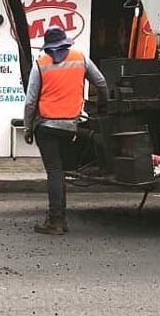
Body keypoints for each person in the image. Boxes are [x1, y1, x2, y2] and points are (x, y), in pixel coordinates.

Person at [23, 28, 108, 235]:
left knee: (54, 171)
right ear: (65, 43)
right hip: (70, 127)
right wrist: (103, 107)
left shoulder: (40, 64)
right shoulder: (80, 59)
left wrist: (27, 127)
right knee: (60, 172)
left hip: (46, 127)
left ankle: (56, 221)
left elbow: (31, 101)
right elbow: (101, 83)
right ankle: (60, 219)